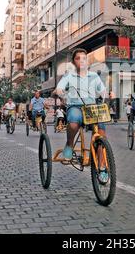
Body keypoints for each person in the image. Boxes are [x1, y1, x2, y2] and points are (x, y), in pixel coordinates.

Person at [53, 48, 108, 182]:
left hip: (92, 108)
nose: (81, 61)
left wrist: (106, 94)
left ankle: (102, 167)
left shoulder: (94, 76)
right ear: (74, 61)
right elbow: (60, 88)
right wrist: (60, 92)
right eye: (78, 58)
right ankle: (70, 145)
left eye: (84, 58)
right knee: (73, 123)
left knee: (101, 134)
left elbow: (102, 90)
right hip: (75, 106)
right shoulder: (69, 76)